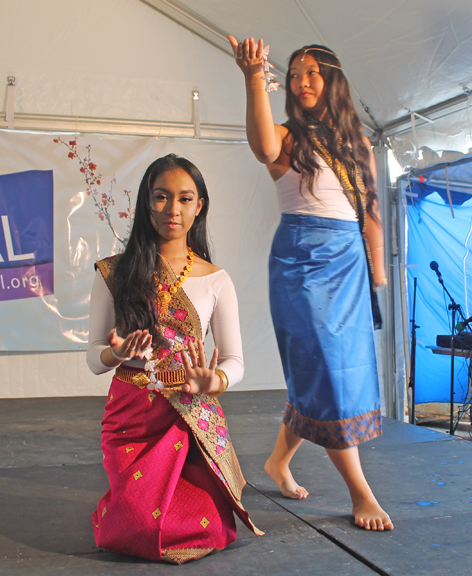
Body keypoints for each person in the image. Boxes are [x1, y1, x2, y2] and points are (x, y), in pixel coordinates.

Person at [228, 35, 394, 531]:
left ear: (332, 81)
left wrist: (377, 277)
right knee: (327, 372)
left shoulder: (357, 142)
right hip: (300, 263)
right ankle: (361, 493)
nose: (301, 81)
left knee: (326, 373)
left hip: (348, 265)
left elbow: (370, 213)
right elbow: (261, 147)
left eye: (312, 73)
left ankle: (277, 462)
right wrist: (253, 77)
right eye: (295, 74)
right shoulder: (286, 137)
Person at [86, 154, 263, 564]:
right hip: (131, 416)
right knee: (141, 524)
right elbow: (94, 358)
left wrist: (211, 382)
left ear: (199, 206)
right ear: (147, 203)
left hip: (188, 412)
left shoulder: (216, 279)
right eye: (162, 197)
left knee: (210, 526)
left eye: (185, 199)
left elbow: (235, 360)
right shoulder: (114, 273)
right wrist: (115, 353)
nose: (172, 209)